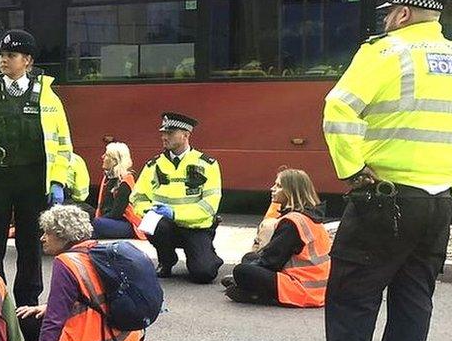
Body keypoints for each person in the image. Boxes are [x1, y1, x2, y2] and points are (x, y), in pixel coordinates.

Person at [288, 0, 452, 341]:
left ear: (402, 15)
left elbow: (339, 109)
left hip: (384, 197)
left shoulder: (386, 52)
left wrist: (351, 168)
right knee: (414, 297)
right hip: (439, 201)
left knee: (353, 293)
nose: (385, 20)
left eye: (388, 14)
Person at [0, 29, 73, 307]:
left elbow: (61, 143)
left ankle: (27, 303)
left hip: (32, 182)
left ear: (28, 61)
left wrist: (57, 181)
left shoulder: (47, 96)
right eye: (1, 55)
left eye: (11, 55)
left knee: (31, 245)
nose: (3, 60)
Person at [16, 205, 141, 341]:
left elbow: (55, 318)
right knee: (34, 312)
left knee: (24, 320)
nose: (42, 238)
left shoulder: (65, 262)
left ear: (63, 236)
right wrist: (47, 307)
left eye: (48, 233)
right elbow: (95, 296)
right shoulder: (97, 250)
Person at [131, 112, 224, 283]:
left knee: (204, 274)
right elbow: (138, 197)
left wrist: (175, 214)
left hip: (196, 227)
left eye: (170, 133)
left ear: (186, 135)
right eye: (163, 133)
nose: (164, 137)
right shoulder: (153, 165)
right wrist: (148, 211)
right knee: (156, 224)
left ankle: (207, 257)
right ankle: (167, 261)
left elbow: (210, 205)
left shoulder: (207, 164)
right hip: (166, 227)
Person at [222, 169, 331, 307]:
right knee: (250, 258)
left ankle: (255, 293)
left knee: (242, 270)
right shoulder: (310, 215)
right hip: (318, 286)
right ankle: (247, 288)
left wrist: (248, 270)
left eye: (279, 186)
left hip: (301, 288)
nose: (272, 189)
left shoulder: (292, 222)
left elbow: (271, 261)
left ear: (290, 191)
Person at [93, 142, 142, 239]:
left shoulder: (125, 181)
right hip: (111, 221)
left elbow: (116, 213)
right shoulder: (108, 179)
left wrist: (93, 221)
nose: (102, 157)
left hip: (126, 224)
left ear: (115, 161)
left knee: (96, 223)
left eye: (106, 155)